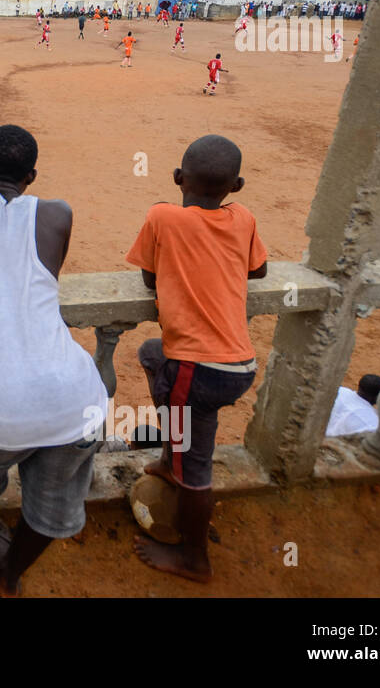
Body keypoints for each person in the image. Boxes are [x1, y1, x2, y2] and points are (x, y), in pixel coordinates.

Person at [0, 125, 106, 598]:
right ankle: (11, 576)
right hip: (77, 399)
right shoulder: (58, 214)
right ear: (32, 175)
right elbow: (42, 277)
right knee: (52, 507)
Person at [125, 135, 268, 583]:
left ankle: (194, 558)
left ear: (177, 178)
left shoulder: (162, 216)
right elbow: (258, 269)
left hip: (199, 369)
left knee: (197, 466)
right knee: (152, 353)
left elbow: (149, 278)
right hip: (236, 364)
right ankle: (172, 458)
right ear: (237, 185)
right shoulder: (242, 217)